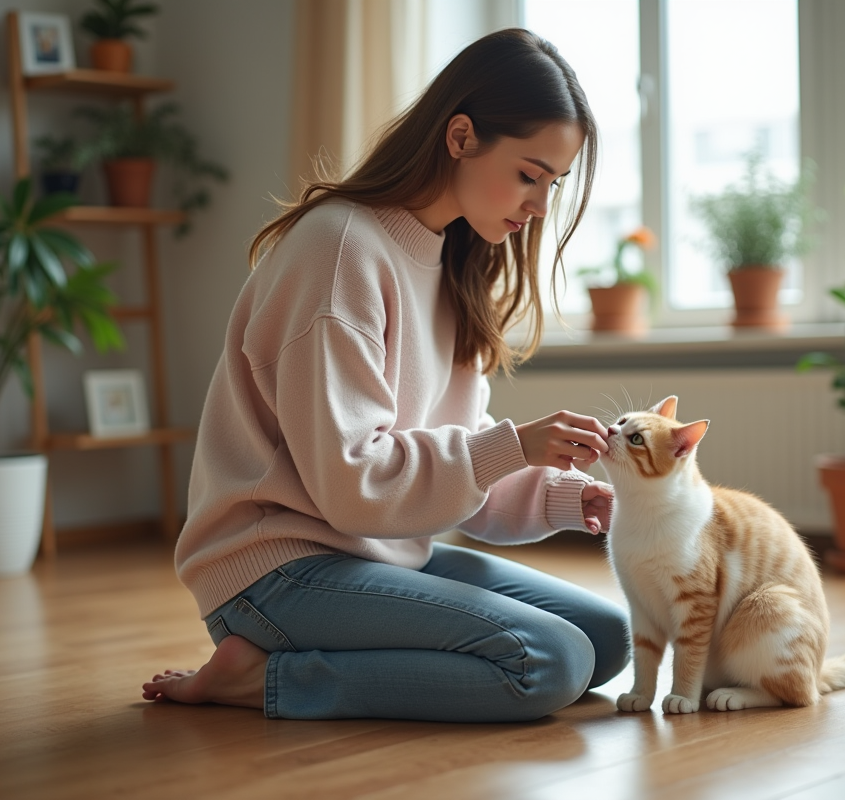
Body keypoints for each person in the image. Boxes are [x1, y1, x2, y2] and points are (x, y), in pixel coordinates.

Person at [141, 28, 630, 723]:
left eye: (554, 184)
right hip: (276, 570)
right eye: (529, 174)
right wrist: (513, 444)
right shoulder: (340, 249)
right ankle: (259, 678)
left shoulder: (454, 262)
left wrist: (562, 498)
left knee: (606, 640)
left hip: (379, 554)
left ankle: (306, 664)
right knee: (548, 661)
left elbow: (450, 481)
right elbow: (356, 487)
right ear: (460, 137)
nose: (541, 207)